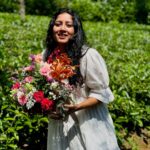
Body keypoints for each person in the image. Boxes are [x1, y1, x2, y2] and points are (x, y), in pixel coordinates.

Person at [43, 8, 120, 150]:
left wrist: (76, 107)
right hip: (59, 122)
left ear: (76, 30)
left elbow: (101, 93)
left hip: (88, 120)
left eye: (68, 25)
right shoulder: (46, 56)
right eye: (58, 24)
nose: (62, 29)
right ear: (52, 28)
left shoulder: (87, 55)